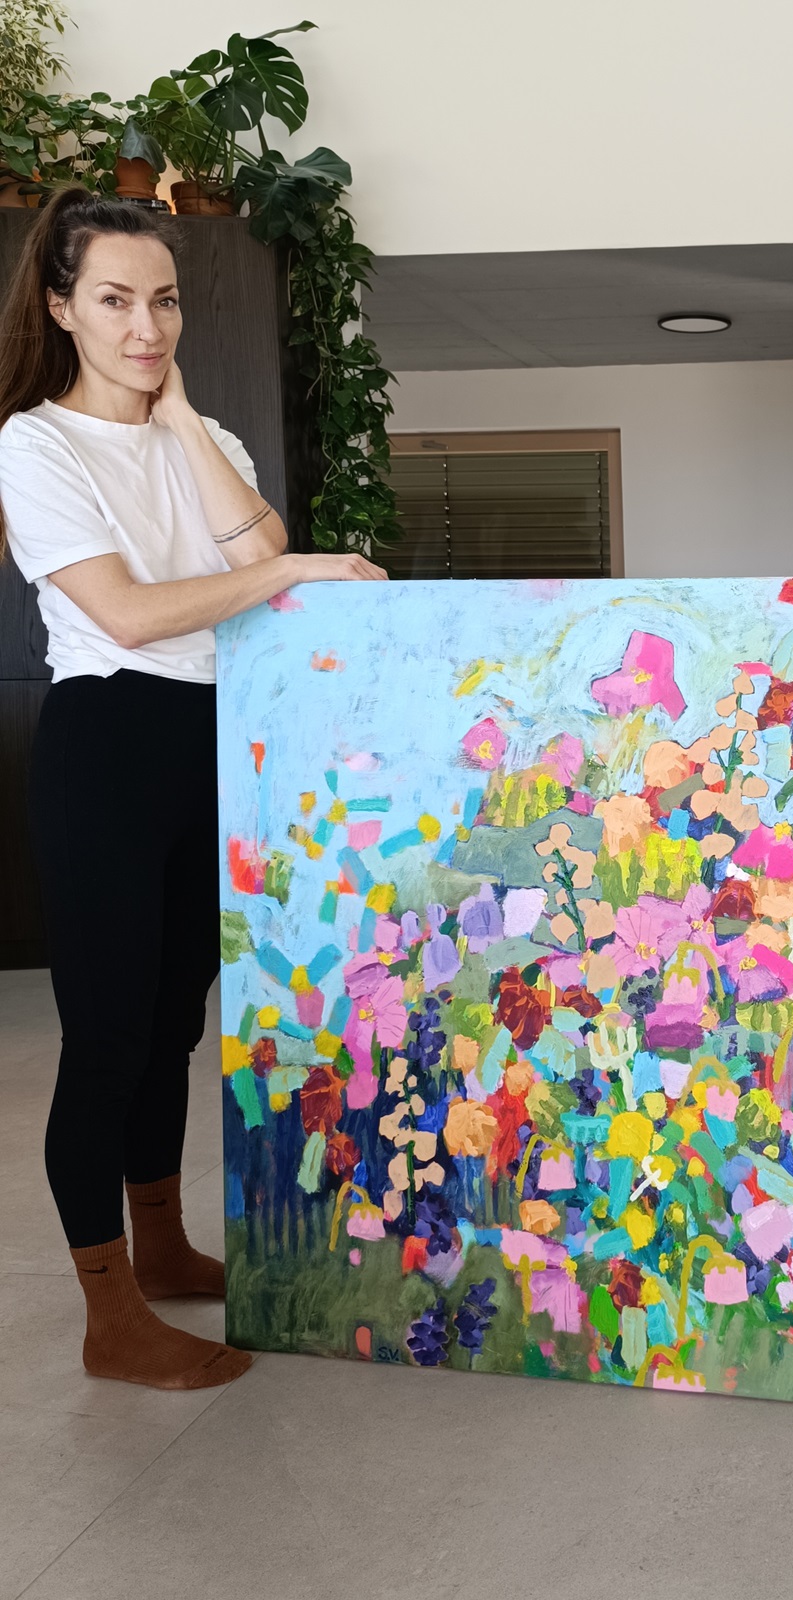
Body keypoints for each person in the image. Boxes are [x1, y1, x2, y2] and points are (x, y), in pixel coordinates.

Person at [0, 188, 387, 1390]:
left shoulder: (200, 433)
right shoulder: (33, 444)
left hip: (214, 737)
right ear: (61, 307)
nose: (145, 326)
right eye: (114, 300)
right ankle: (107, 1311)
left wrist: (177, 424)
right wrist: (296, 569)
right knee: (109, 1034)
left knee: (174, 1019)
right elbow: (128, 611)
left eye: (163, 301)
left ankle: (162, 1243)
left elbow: (255, 553)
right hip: (108, 739)